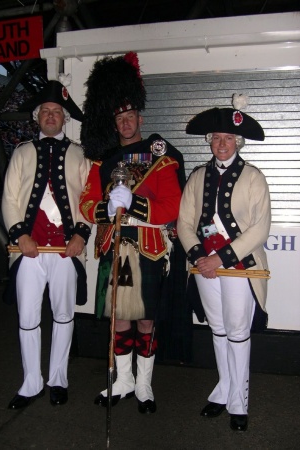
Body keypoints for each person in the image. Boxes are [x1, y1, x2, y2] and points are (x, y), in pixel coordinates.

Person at [79, 52, 186, 414]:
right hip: (115, 245)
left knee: (146, 317)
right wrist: (105, 209)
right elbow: (86, 202)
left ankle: (143, 383)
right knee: (119, 317)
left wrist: (136, 204)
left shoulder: (161, 155)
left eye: (130, 116)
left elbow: (173, 205)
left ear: (140, 116)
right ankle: (122, 379)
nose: (125, 123)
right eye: (119, 118)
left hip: (150, 249)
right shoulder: (103, 160)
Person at [177, 94, 271, 431]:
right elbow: (184, 224)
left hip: (239, 266)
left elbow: (260, 228)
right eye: (216, 138)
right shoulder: (197, 176)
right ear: (209, 141)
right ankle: (224, 389)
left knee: (237, 331)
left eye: (228, 138)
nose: (221, 143)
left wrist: (220, 257)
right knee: (217, 329)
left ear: (238, 141)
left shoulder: (254, 177)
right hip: (205, 266)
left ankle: (238, 402)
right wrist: (199, 256)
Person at [2, 79, 92, 409]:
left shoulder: (80, 154)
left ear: (64, 118)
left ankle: (58, 379)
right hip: (29, 249)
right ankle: (30, 383)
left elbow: (88, 198)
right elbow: (10, 198)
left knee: (64, 315)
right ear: (37, 117)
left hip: (66, 250)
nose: (51, 116)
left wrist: (81, 234)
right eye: (46, 112)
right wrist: (19, 235)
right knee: (27, 317)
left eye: (57, 112)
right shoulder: (22, 152)